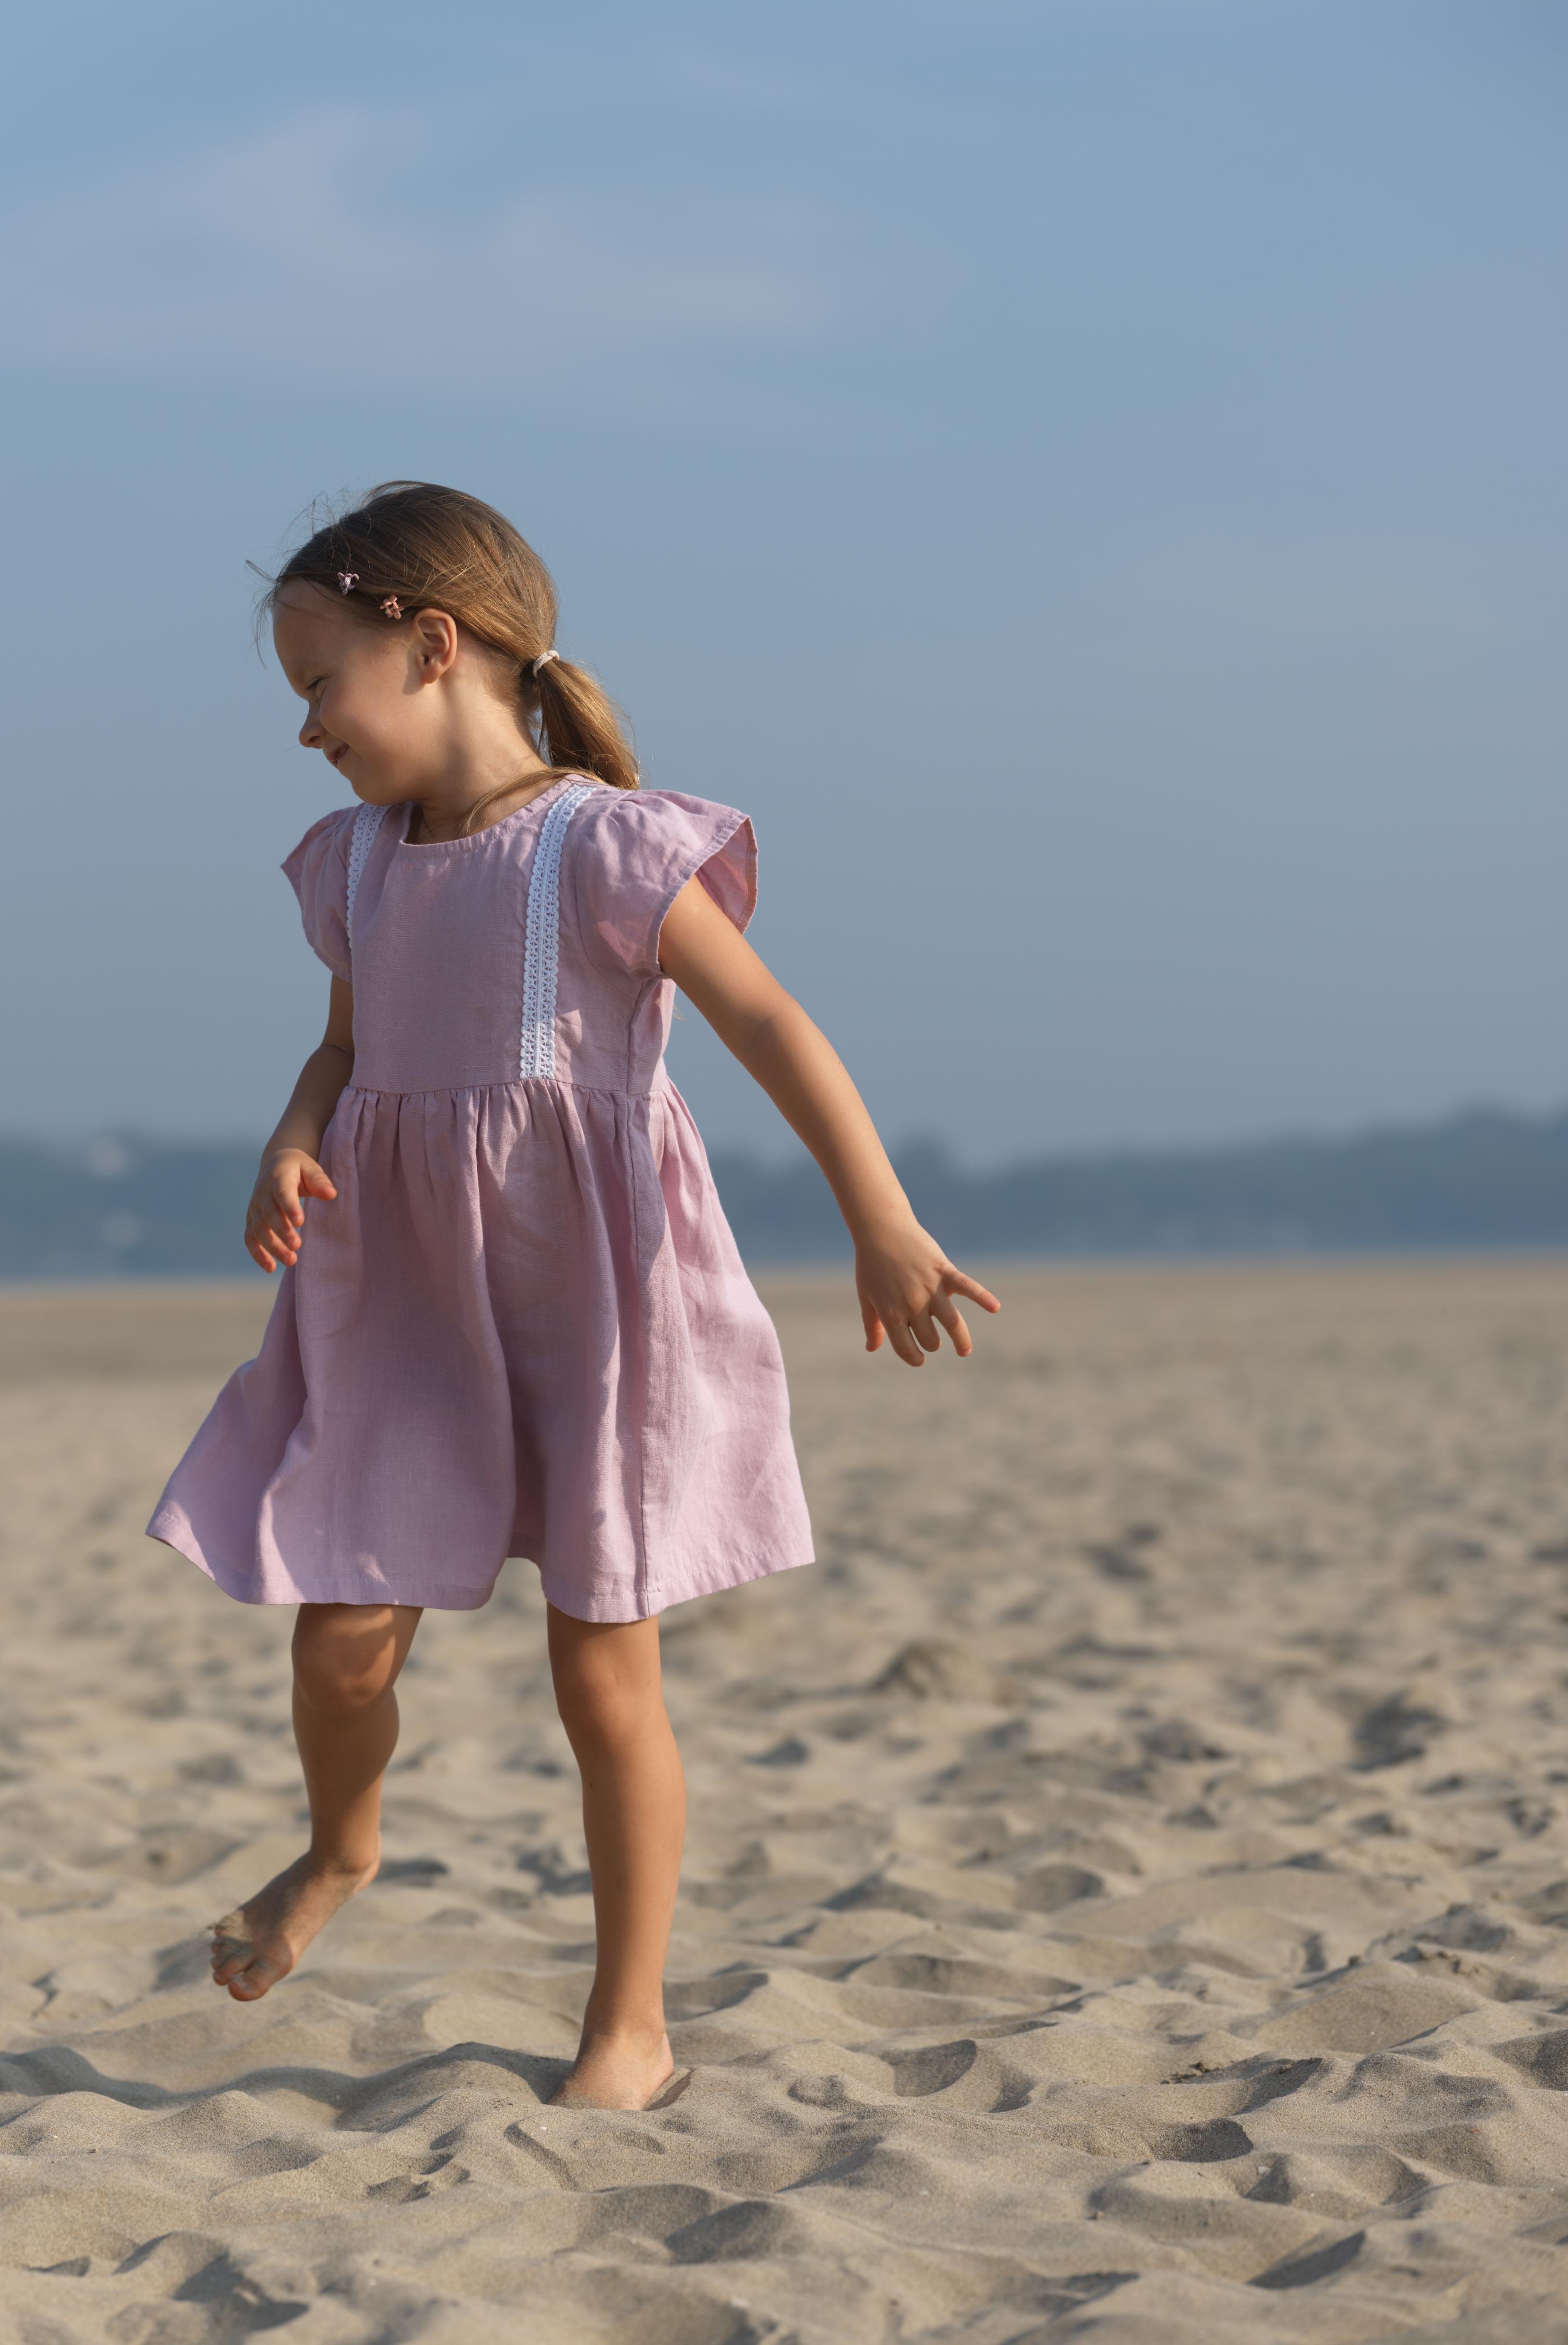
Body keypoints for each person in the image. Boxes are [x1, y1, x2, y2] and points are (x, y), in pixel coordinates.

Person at [147, 480, 1000, 2110]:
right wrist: (290, 1135)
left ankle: (629, 2025)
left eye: (320, 681)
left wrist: (876, 1221)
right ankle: (342, 1850)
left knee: (601, 1672)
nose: (308, 728)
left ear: (433, 646)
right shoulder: (355, 867)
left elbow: (769, 1028)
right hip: (402, 1301)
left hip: (593, 1303)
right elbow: (347, 1043)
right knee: (338, 1646)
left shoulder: (607, 847)